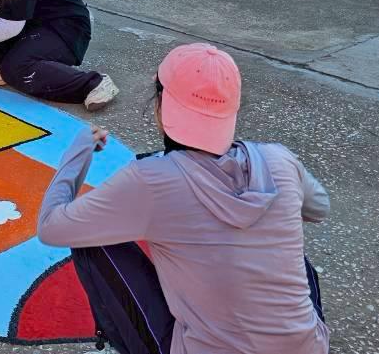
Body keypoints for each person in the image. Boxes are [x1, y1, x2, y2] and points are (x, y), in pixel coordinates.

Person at [37, 43, 330, 354]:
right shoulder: (279, 159)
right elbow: (318, 209)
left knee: (90, 237)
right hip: (308, 346)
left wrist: (78, 150)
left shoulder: (149, 179)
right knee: (284, 241)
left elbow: (51, 227)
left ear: (161, 105)